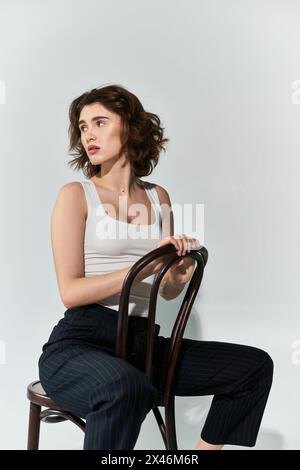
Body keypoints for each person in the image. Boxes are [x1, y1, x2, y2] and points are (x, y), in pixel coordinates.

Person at [38, 84, 273, 450]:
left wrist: (177, 272)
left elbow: (166, 290)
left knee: (253, 367)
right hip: (82, 343)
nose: (89, 135)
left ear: (130, 128)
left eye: (100, 122)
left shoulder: (157, 196)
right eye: (83, 127)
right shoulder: (75, 195)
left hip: (141, 344)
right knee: (124, 386)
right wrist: (144, 267)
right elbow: (70, 292)